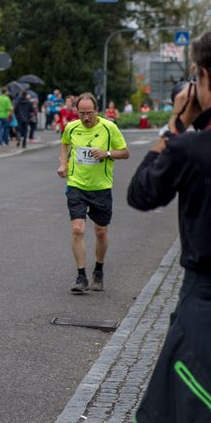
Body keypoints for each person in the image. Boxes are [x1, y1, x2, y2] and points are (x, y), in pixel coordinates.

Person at [129, 30, 211, 423]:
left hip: (203, 304)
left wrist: (175, 125)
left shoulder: (192, 149)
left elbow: (141, 193)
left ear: (204, 77)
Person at [56, 92, 130, 294]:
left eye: (89, 113)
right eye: (82, 113)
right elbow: (64, 143)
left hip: (101, 187)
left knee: (101, 231)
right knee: (77, 229)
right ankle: (81, 276)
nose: (86, 117)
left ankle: (98, 270)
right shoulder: (71, 127)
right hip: (76, 184)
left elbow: (125, 152)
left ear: (97, 110)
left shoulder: (109, 127)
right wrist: (63, 163)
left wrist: (107, 153)